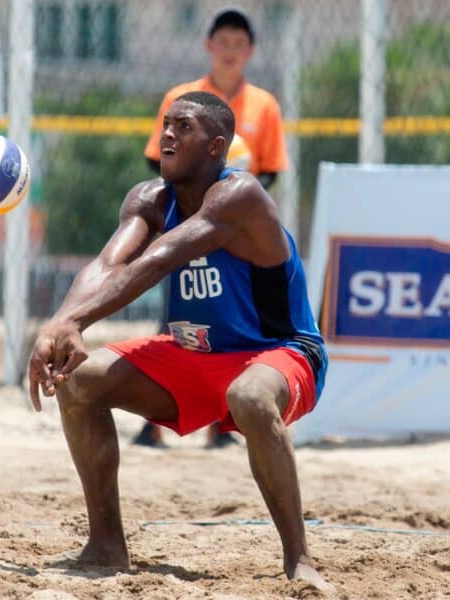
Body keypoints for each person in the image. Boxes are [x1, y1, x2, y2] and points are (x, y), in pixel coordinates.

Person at [28, 91, 330, 590]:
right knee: (79, 382)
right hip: (194, 353)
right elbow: (108, 266)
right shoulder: (148, 199)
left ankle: (300, 560)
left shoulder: (241, 195)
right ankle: (106, 545)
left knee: (251, 396)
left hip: (279, 351)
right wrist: (59, 326)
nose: (167, 134)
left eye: (182, 127)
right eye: (165, 124)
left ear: (215, 147)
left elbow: (158, 260)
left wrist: (75, 321)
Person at [136, 5, 289, 449]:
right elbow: (156, 159)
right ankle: (153, 424)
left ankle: (221, 426)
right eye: (223, 42)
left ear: (250, 51)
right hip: (188, 226)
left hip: (239, 234)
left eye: (239, 43)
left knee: (232, 324)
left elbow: (271, 170)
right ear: (209, 46)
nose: (230, 50)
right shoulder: (181, 99)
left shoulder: (264, 105)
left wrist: (232, 204)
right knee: (176, 322)